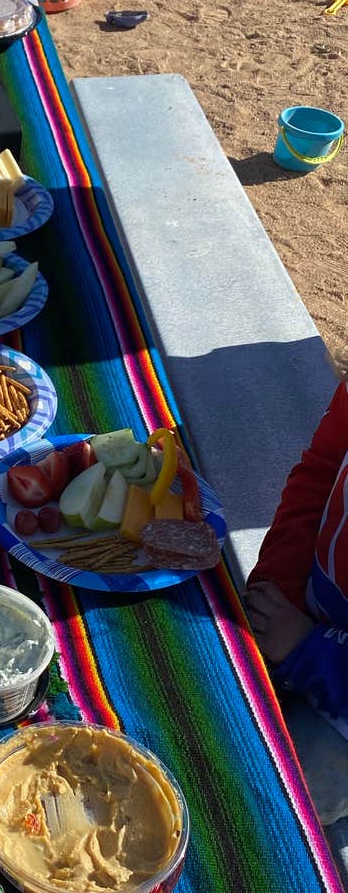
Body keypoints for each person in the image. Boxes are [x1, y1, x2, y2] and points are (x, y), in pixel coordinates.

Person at [246, 376, 348, 879]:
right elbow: (322, 470)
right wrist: (278, 589)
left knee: (253, 800)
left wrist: (310, 652)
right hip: (306, 621)